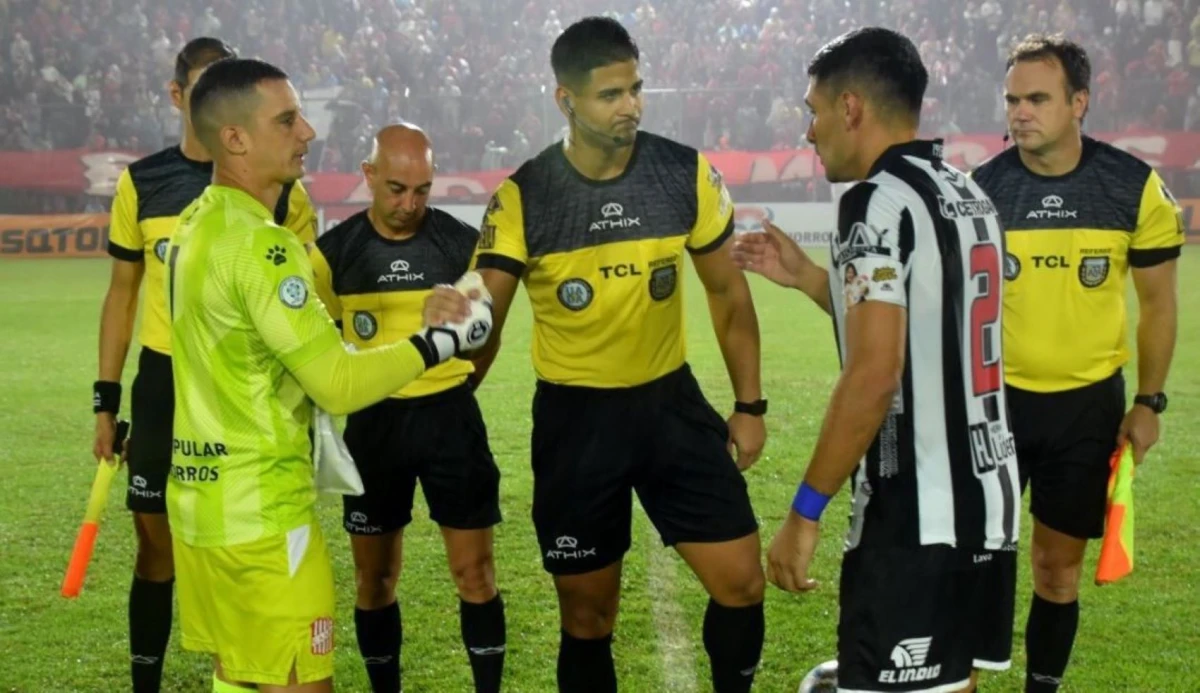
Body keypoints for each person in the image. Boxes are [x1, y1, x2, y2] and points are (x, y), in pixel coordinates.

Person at [426, 15, 768, 693]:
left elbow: (728, 294)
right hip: (577, 424)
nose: (631, 105)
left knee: (742, 582)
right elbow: (484, 311)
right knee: (588, 617)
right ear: (566, 100)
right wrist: (452, 372)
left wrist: (750, 405)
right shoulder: (528, 194)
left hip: (671, 405)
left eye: (636, 88)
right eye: (611, 94)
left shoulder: (684, 172)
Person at [165, 58, 493, 693]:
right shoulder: (263, 246)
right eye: (287, 119)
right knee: (298, 682)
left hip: (203, 506)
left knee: (239, 678)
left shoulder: (194, 224)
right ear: (235, 138)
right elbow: (337, 383)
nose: (308, 131)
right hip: (263, 514)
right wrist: (436, 344)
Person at [733, 27, 1020, 693]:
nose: (809, 132)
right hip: (988, 503)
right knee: (948, 684)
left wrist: (805, 511)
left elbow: (874, 373)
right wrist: (811, 278)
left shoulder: (875, 201)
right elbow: (925, 330)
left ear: (852, 108)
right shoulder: (966, 191)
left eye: (814, 110)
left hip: (915, 518)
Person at [92, 36, 319, 693]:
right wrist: (105, 399)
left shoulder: (277, 186)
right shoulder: (144, 181)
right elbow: (122, 293)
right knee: (156, 546)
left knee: (249, 538)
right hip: (166, 378)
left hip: (245, 386)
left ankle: (255, 665)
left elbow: (308, 286)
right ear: (180, 97)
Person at [970, 34, 1181, 693]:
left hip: (1087, 408)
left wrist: (1148, 402)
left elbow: (1159, 304)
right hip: (995, 404)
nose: (1020, 112)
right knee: (978, 561)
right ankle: (959, 679)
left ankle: (1043, 687)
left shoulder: (1133, 187)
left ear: (1079, 102)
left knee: (1056, 569)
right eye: (1012, 100)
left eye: (1037, 98)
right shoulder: (984, 190)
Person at [309, 123, 506, 693]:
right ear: (368, 176)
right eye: (396, 188)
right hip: (372, 425)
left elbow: (485, 327)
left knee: (476, 574)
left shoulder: (456, 242)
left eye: (422, 189)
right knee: (375, 579)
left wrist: (466, 362)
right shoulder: (335, 254)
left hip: (450, 420)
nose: (409, 204)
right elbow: (320, 347)